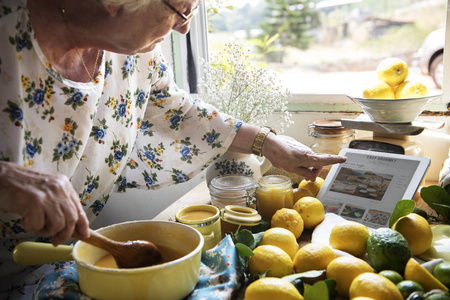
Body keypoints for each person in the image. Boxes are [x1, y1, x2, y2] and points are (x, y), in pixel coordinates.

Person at [0, 0, 346, 297]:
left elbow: (175, 109)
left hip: (61, 264)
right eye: (181, 10)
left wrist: (268, 144)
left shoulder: (133, 51)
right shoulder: (7, 30)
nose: (183, 29)